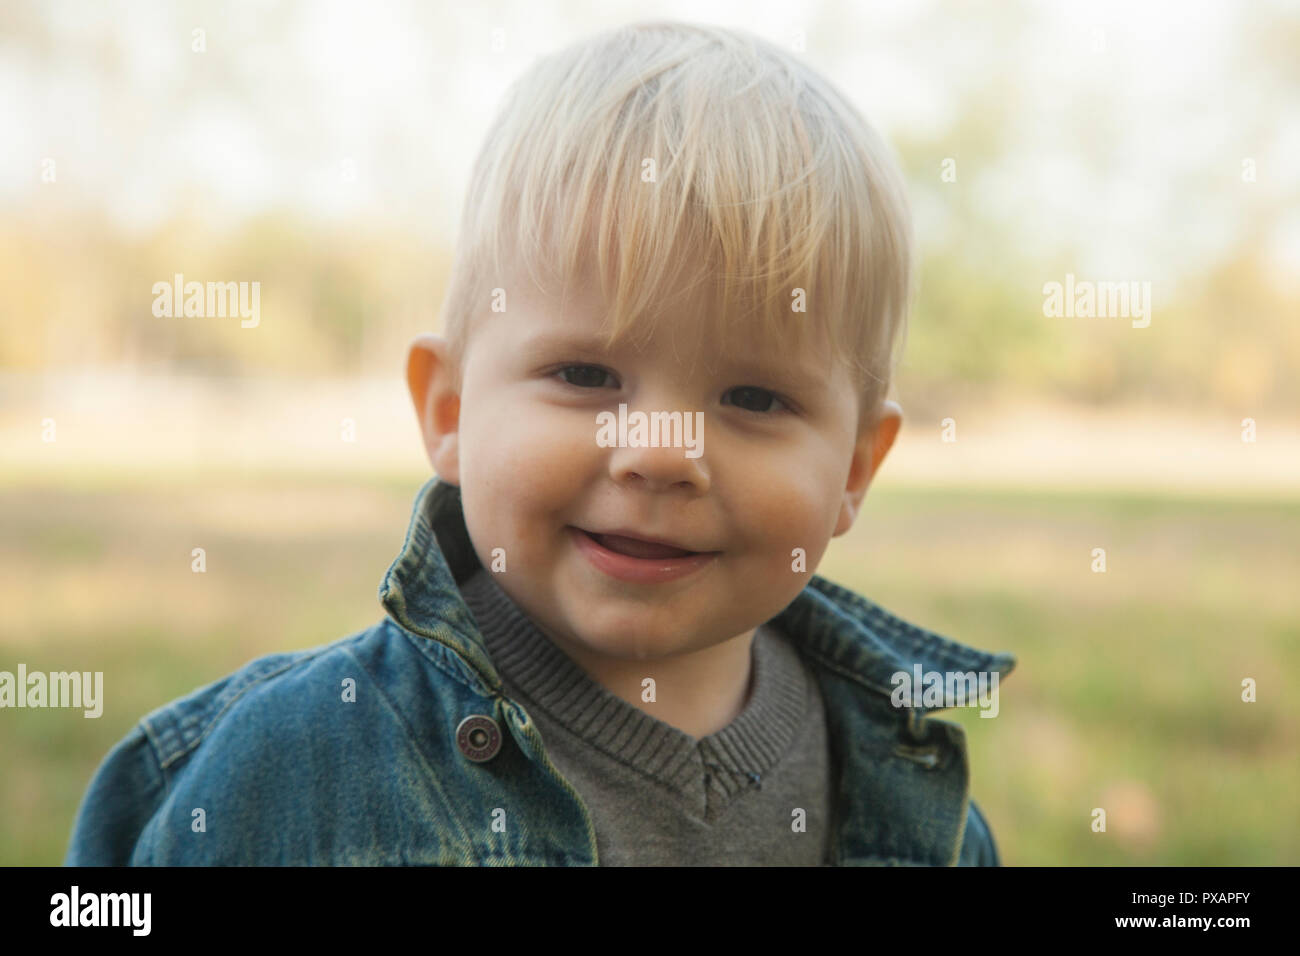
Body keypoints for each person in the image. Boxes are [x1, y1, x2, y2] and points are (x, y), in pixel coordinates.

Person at [65, 20, 1015, 866]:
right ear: (449, 411)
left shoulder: (908, 798)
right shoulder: (286, 772)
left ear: (854, 472)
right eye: (587, 377)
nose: (659, 453)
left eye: (754, 396)